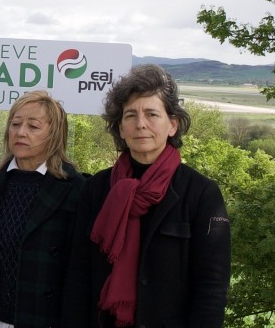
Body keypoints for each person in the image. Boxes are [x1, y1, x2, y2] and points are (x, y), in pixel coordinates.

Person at [62, 64, 231, 328]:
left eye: (152, 114)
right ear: (120, 128)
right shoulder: (96, 188)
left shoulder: (200, 193)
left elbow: (211, 287)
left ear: (173, 124)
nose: (140, 124)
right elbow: (78, 276)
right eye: (130, 115)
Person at [0, 91, 84, 328]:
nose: (21, 132)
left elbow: (79, 272)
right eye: (15, 123)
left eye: (33, 126)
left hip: (43, 319)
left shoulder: (76, 189)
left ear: (53, 135)